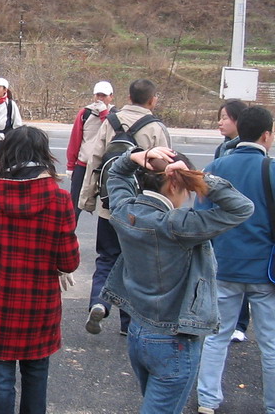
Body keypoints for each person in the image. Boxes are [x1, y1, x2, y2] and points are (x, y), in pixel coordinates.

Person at [102, 147, 253, 414]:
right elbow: (242, 208)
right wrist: (201, 178)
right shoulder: (178, 224)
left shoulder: (125, 210)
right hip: (173, 337)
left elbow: (116, 175)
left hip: (138, 331)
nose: (189, 195)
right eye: (187, 188)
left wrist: (133, 156)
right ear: (174, 183)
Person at [0, 125, 79, 414]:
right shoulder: (60, 199)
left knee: (1, 377)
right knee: (36, 373)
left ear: (7, 154)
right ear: (43, 155)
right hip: (41, 302)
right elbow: (69, 262)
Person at [196, 106, 275, 414]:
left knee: (216, 337)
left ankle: (207, 399)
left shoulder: (216, 167)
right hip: (264, 270)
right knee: (270, 344)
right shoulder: (271, 169)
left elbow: (200, 218)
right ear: (266, 135)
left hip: (223, 265)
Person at [79, 79, 171, 335]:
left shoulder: (111, 122)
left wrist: (88, 198)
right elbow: (165, 171)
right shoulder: (156, 128)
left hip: (109, 205)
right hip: (142, 210)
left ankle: (99, 302)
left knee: (107, 258)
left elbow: (95, 161)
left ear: (128, 97)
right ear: (152, 100)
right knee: (137, 263)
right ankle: (128, 323)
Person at [214, 99, 252, 343]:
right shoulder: (222, 148)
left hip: (241, 218)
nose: (220, 122)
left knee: (241, 273)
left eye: (225, 118)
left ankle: (240, 323)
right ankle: (223, 320)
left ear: (239, 121)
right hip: (221, 219)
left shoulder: (243, 150)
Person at [66, 81, 115, 221]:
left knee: (109, 206)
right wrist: (71, 165)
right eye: (98, 95)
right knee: (74, 205)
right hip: (84, 165)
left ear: (111, 97)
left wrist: (104, 113)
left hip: (106, 167)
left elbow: (113, 132)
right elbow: (75, 140)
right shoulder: (85, 113)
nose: (100, 99)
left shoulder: (115, 115)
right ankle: (69, 232)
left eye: (104, 96)